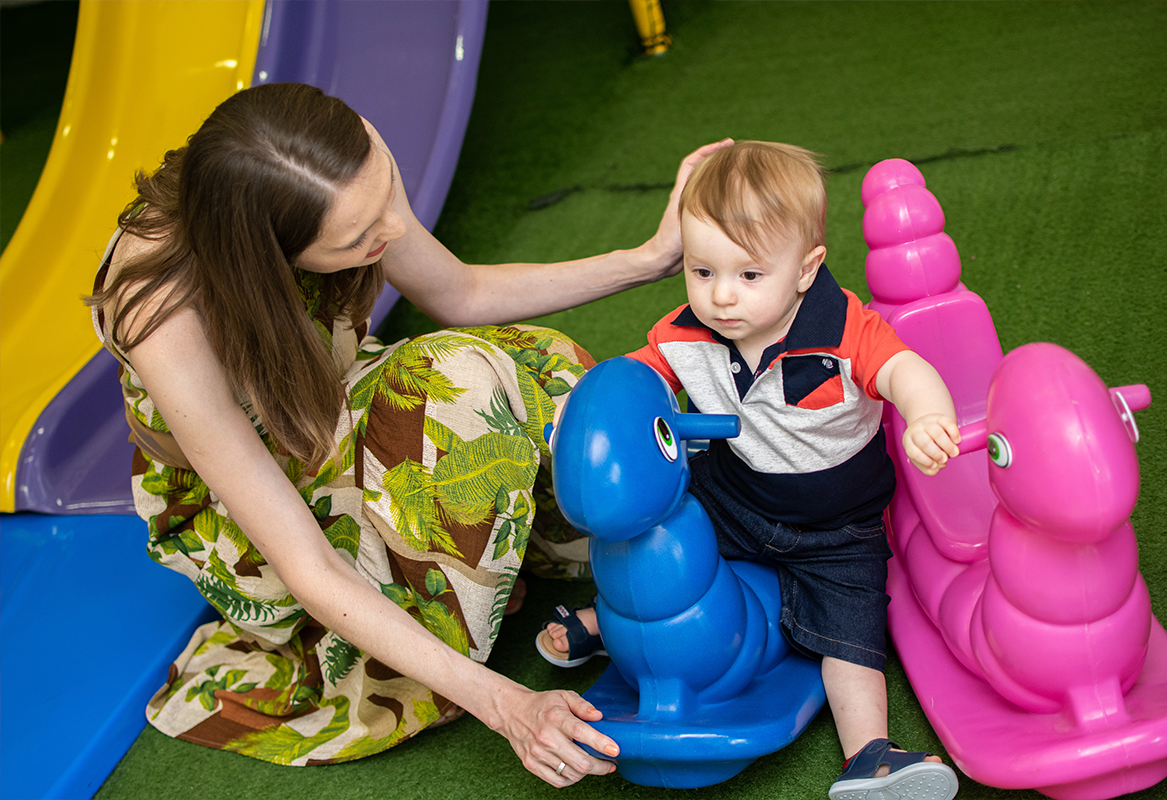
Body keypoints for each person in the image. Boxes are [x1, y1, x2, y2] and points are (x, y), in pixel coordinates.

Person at [85, 81, 729, 784]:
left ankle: (500, 557)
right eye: (358, 240)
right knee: (460, 384)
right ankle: (433, 600)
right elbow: (307, 566)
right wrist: (507, 706)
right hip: (257, 495)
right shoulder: (161, 307)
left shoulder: (336, 156)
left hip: (327, 395)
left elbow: (460, 292)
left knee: (546, 369)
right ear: (268, 257)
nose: (391, 229)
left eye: (387, 191)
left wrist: (650, 259)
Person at [537, 141, 962, 799]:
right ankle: (606, 621)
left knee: (850, 639)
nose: (721, 296)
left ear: (805, 268)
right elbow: (632, 385)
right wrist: (583, 410)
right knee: (660, 543)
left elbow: (904, 369)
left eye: (750, 275)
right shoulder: (684, 335)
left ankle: (869, 755)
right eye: (702, 271)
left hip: (837, 528)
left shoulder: (844, 329)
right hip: (733, 496)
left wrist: (928, 413)